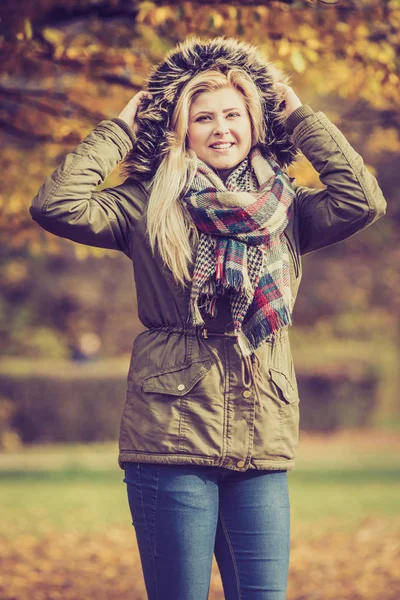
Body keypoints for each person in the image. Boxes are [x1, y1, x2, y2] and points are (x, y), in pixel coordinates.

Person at [30, 36, 386, 600]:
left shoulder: (287, 207)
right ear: (179, 128)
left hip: (260, 436)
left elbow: (362, 201)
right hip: (170, 436)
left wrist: (298, 117)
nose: (221, 128)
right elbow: (57, 204)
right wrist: (122, 127)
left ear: (254, 122)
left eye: (233, 114)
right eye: (203, 117)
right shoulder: (143, 204)